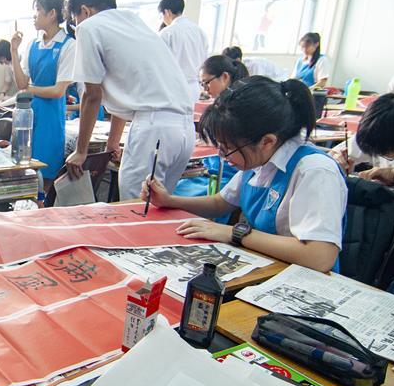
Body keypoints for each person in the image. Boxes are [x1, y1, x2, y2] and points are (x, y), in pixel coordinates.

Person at [142, 77, 347, 273]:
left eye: (229, 148)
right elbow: (220, 203)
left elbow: (319, 256)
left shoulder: (314, 171)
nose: (223, 157)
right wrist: (169, 200)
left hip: (301, 281)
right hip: (264, 266)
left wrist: (234, 233)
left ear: (267, 141)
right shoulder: (259, 158)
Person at [66, 0, 194, 199]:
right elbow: (127, 87)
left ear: (84, 11)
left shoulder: (88, 27)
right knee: (157, 207)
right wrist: (112, 143)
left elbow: (92, 95)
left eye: (75, 20)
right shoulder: (133, 22)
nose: (76, 26)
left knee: (134, 208)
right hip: (183, 130)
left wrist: (81, 151)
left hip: (153, 128)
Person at [10, 0, 76, 186]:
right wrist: (14, 51)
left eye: (38, 10)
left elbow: (58, 91)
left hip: (51, 118)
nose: (34, 16)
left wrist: (30, 90)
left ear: (52, 14)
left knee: (46, 175)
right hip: (27, 114)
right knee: (22, 170)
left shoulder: (68, 45)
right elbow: (21, 84)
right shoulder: (32, 44)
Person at [330, 93, 394, 205]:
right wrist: (337, 160)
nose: (379, 153)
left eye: (386, 153)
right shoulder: (378, 130)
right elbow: (336, 154)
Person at [158, 0, 209, 102]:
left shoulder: (167, 33)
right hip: (195, 89)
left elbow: (159, 65)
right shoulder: (200, 32)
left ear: (167, 12)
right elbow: (205, 61)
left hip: (173, 89)